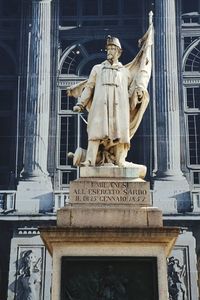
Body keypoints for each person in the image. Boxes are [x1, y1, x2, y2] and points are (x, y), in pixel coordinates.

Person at [67, 17, 153, 167]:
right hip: (100, 107)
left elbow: (132, 87)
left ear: (119, 52)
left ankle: (120, 160)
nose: (110, 51)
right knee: (95, 133)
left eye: (113, 49)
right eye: (108, 48)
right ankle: (89, 160)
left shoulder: (124, 71)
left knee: (120, 134)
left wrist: (138, 92)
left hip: (119, 108)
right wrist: (81, 104)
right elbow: (89, 87)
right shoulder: (97, 68)